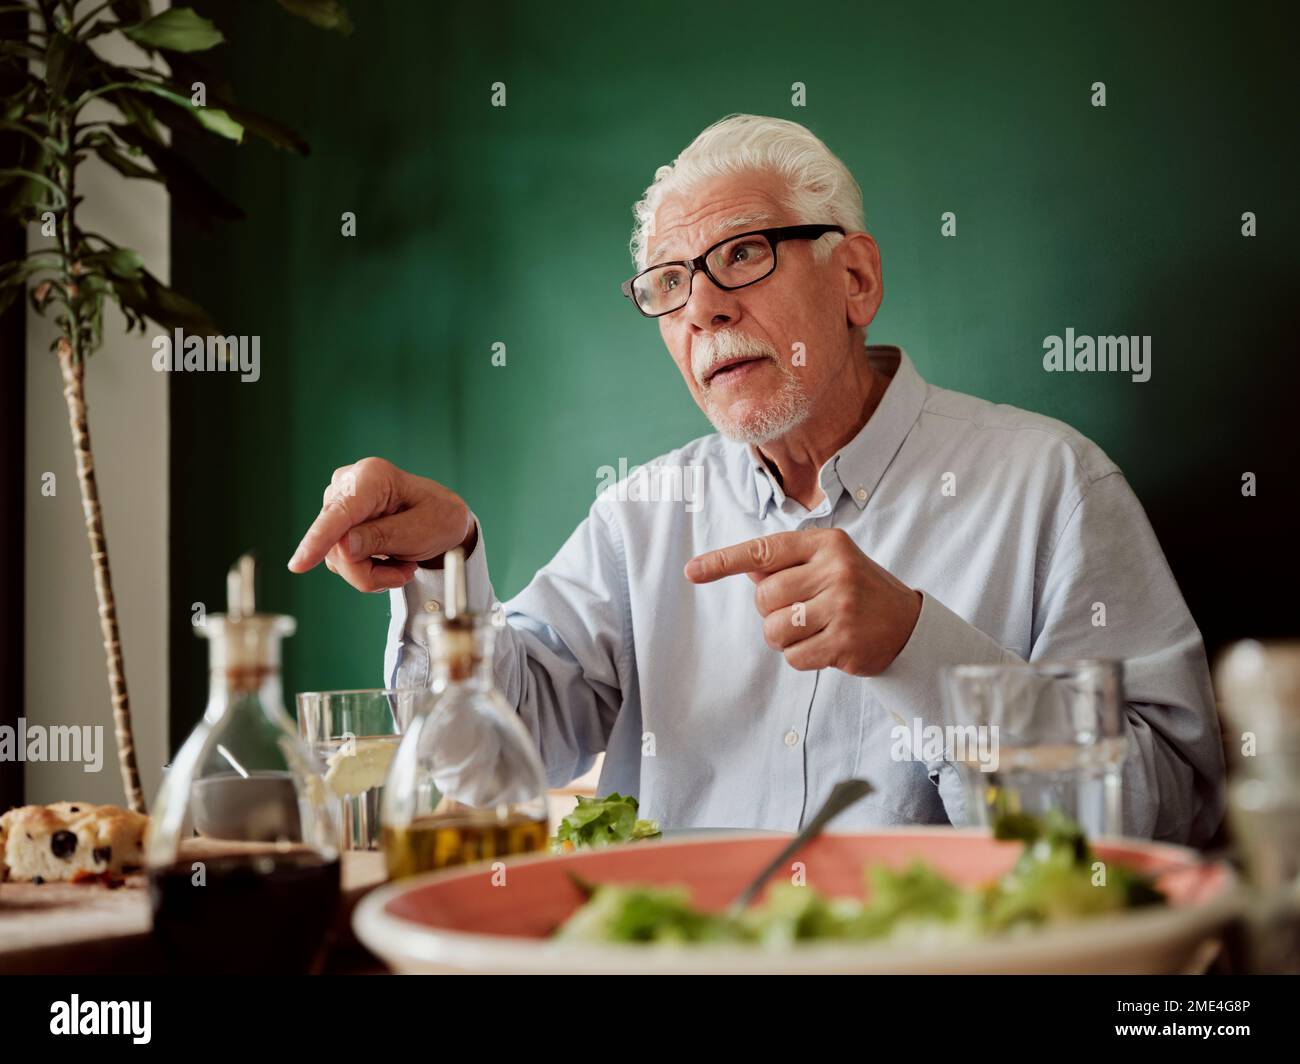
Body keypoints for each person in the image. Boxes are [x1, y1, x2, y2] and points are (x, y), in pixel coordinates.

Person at [287, 114, 1224, 845]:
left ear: (855, 278)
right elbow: (493, 760)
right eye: (666, 282)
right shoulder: (640, 514)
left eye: (742, 253)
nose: (701, 307)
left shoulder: (1052, 486)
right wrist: (447, 569)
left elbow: (1168, 812)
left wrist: (920, 651)